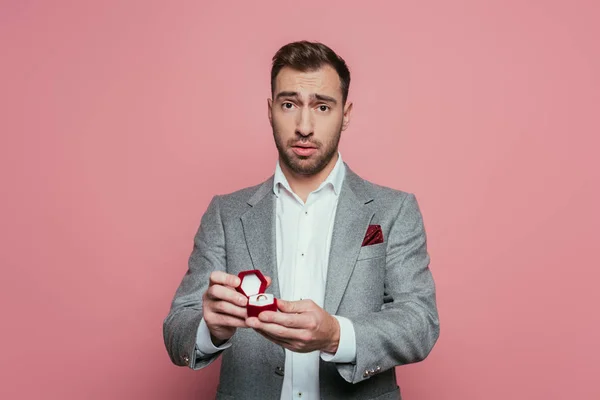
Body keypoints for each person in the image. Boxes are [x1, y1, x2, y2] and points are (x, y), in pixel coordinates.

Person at [163, 40, 440, 400]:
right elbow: (177, 328)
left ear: (346, 112)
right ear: (270, 109)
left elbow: (420, 322)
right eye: (290, 104)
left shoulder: (395, 209)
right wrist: (209, 328)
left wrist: (336, 335)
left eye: (322, 106)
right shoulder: (225, 213)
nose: (304, 126)